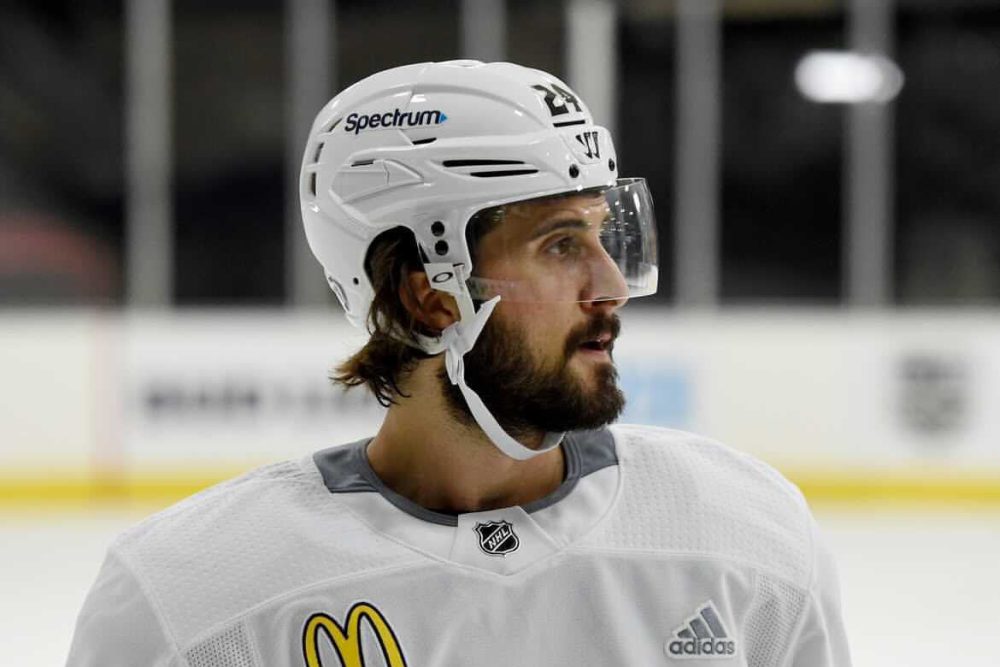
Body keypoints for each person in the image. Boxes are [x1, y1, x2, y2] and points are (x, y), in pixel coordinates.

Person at [68, 60, 850, 666]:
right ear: (430, 295)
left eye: (603, 233)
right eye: (561, 245)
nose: (611, 285)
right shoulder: (190, 598)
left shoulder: (749, 536)